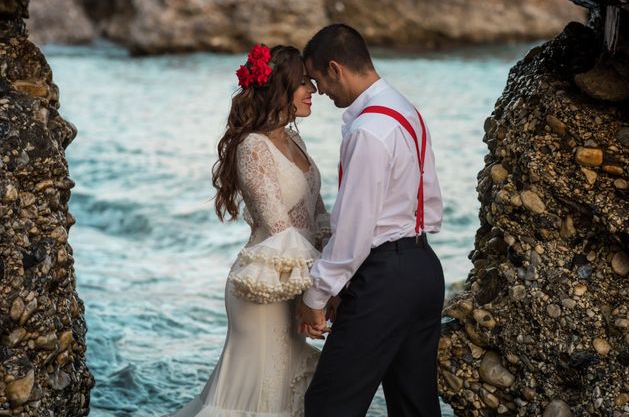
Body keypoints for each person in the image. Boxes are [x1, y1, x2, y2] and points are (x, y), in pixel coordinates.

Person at [166, 44, 330, 417]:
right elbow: (279, 227)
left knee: (284, 398)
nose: (313, 91)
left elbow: (318, 214)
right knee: (256, 399)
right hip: (263, 288)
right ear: (279, 89)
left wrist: (334, 278)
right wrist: (318, 294)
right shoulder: (253, 147)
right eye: (303, 83)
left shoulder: (294, 140)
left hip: (299, 282)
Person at [298, 23, 445, 417]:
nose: (321, 91)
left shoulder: (368, 130)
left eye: (318, 80)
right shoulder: (405, 111)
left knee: (330, 405)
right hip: (424, 269)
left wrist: (318, 294)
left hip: (385, 277)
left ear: (335, 68)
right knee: (414, 405)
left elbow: (354, 228)